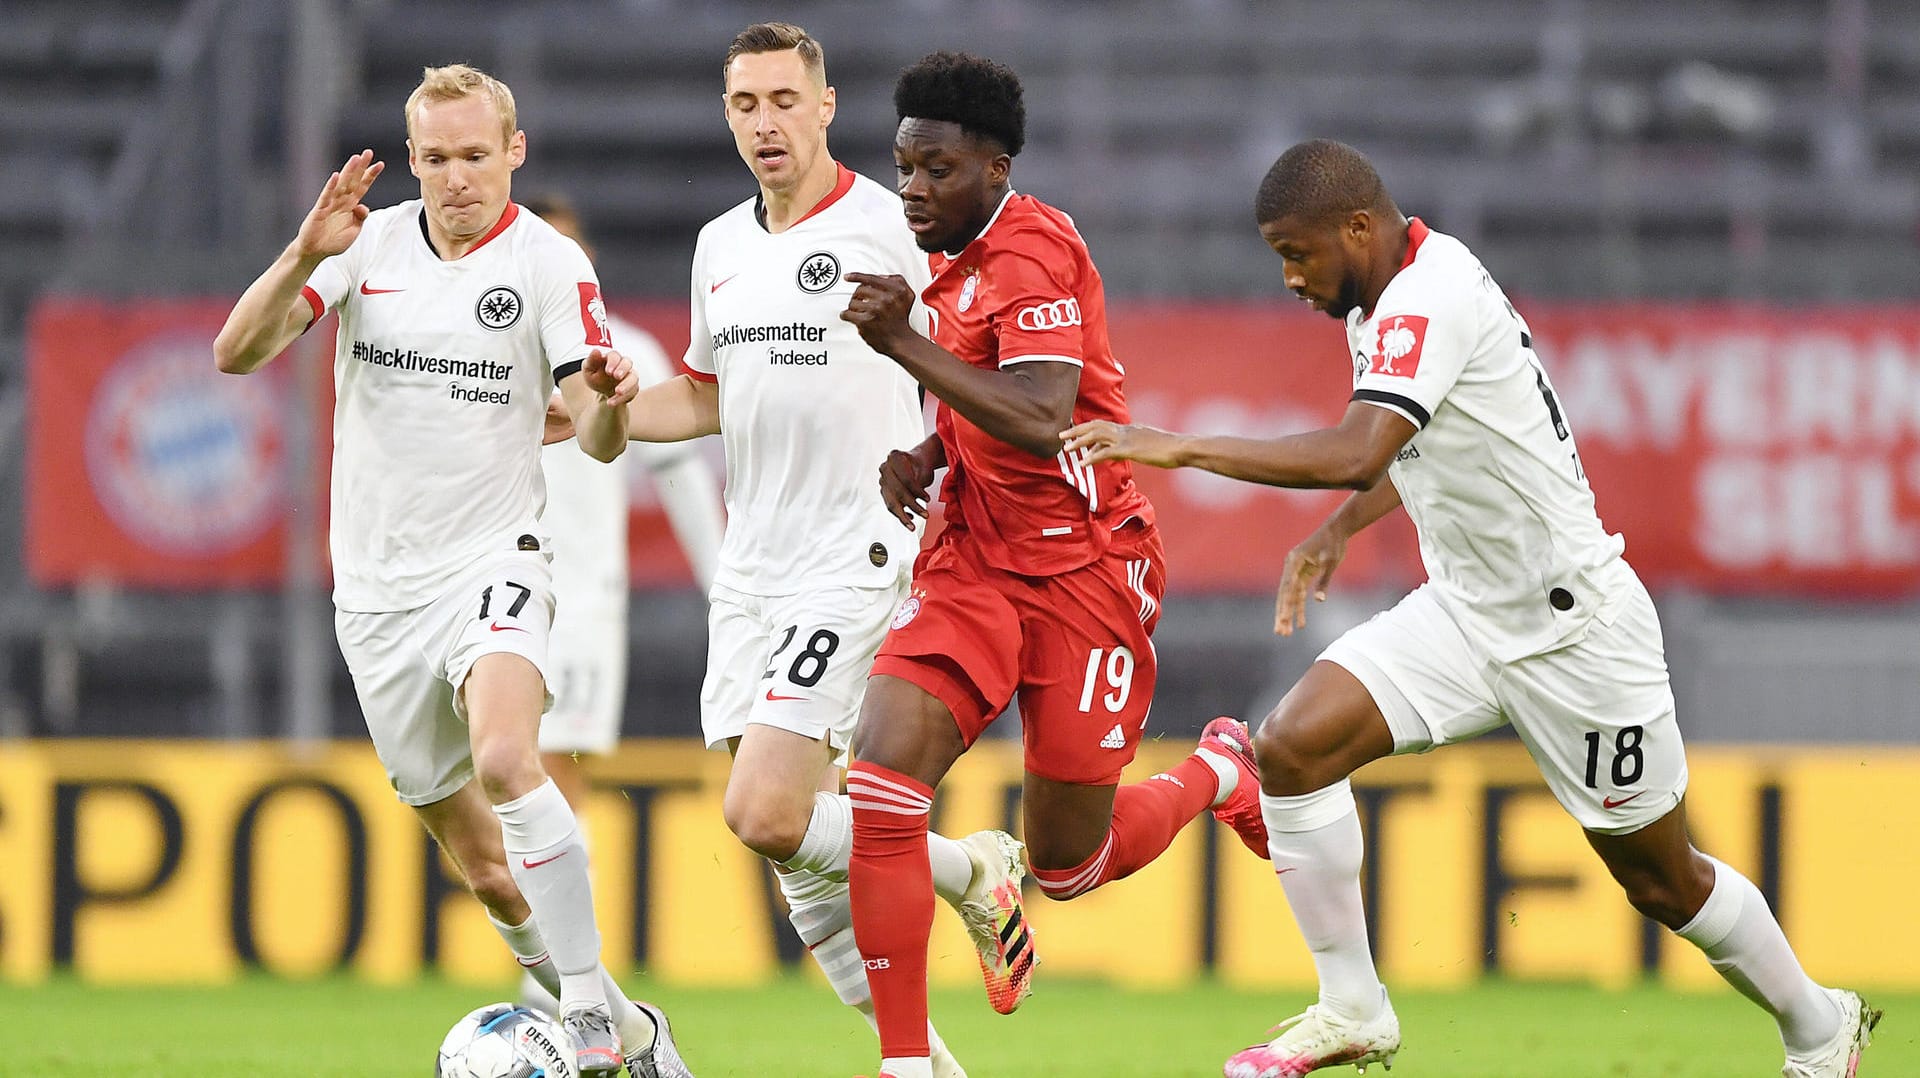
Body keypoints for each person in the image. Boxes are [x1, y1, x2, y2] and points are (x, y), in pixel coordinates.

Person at [1061, 138, 1879, 1078]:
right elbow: (1417, 447)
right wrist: (1340, 529)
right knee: (1290, 745)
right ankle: (1353, 1008)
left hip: (1574, 629)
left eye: (1297, 253)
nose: (1288, 277)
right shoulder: (1381, 298)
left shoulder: (1427, 295)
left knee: (1661, 878)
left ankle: (1820, 1024)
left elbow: (1360, 447)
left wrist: (1179, 445)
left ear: (1357, 228)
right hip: (1463, 614)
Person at [211, 64, 693, 1078]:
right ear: (413, 160)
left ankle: (590, 1028)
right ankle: (639, 1033)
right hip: (378, 594)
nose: (458, 179)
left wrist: (607, 399)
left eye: (477, 156)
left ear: (513, 151)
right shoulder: (366, 245)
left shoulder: (551, 264)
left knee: (513, 758)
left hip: (495, 559)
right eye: (436, 159)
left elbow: (599, 440)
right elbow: (234, 352)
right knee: (489, 872)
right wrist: (303, 248)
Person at [837, 52, 1270, 1078]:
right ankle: (906, 1063)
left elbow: (1040, 416)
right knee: (881, 778)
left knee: (1072, 866)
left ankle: (1218, 769)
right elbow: (984, 393)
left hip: (1086, 570)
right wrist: (930, 448)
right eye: (904, 167)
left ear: (995, 170)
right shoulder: (949, 253)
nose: (913, 190)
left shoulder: (1030, 251)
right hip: (974, 558)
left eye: (936, 170)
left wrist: (904, 346)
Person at [614, 25, 1022, 1077]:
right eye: (744, 104)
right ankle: (934, 1058)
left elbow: (972, 360)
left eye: (783, 101)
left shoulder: (895, 225)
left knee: (764, 807)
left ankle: (971, 876)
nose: (764, 123)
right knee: (801, 869)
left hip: (859, 551)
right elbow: (706, 396)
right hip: (754, 566)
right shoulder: (720, 247)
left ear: (827, 106)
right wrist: (597, 413)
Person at [517, 191, 726, 1017]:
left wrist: (726, 592)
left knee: (557, 782)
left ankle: (565, 994)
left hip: (583, 603)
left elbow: (684, 488)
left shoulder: (625, 353)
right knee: (507, 785)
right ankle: (569, 985)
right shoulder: (486, 338)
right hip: (487, 587)